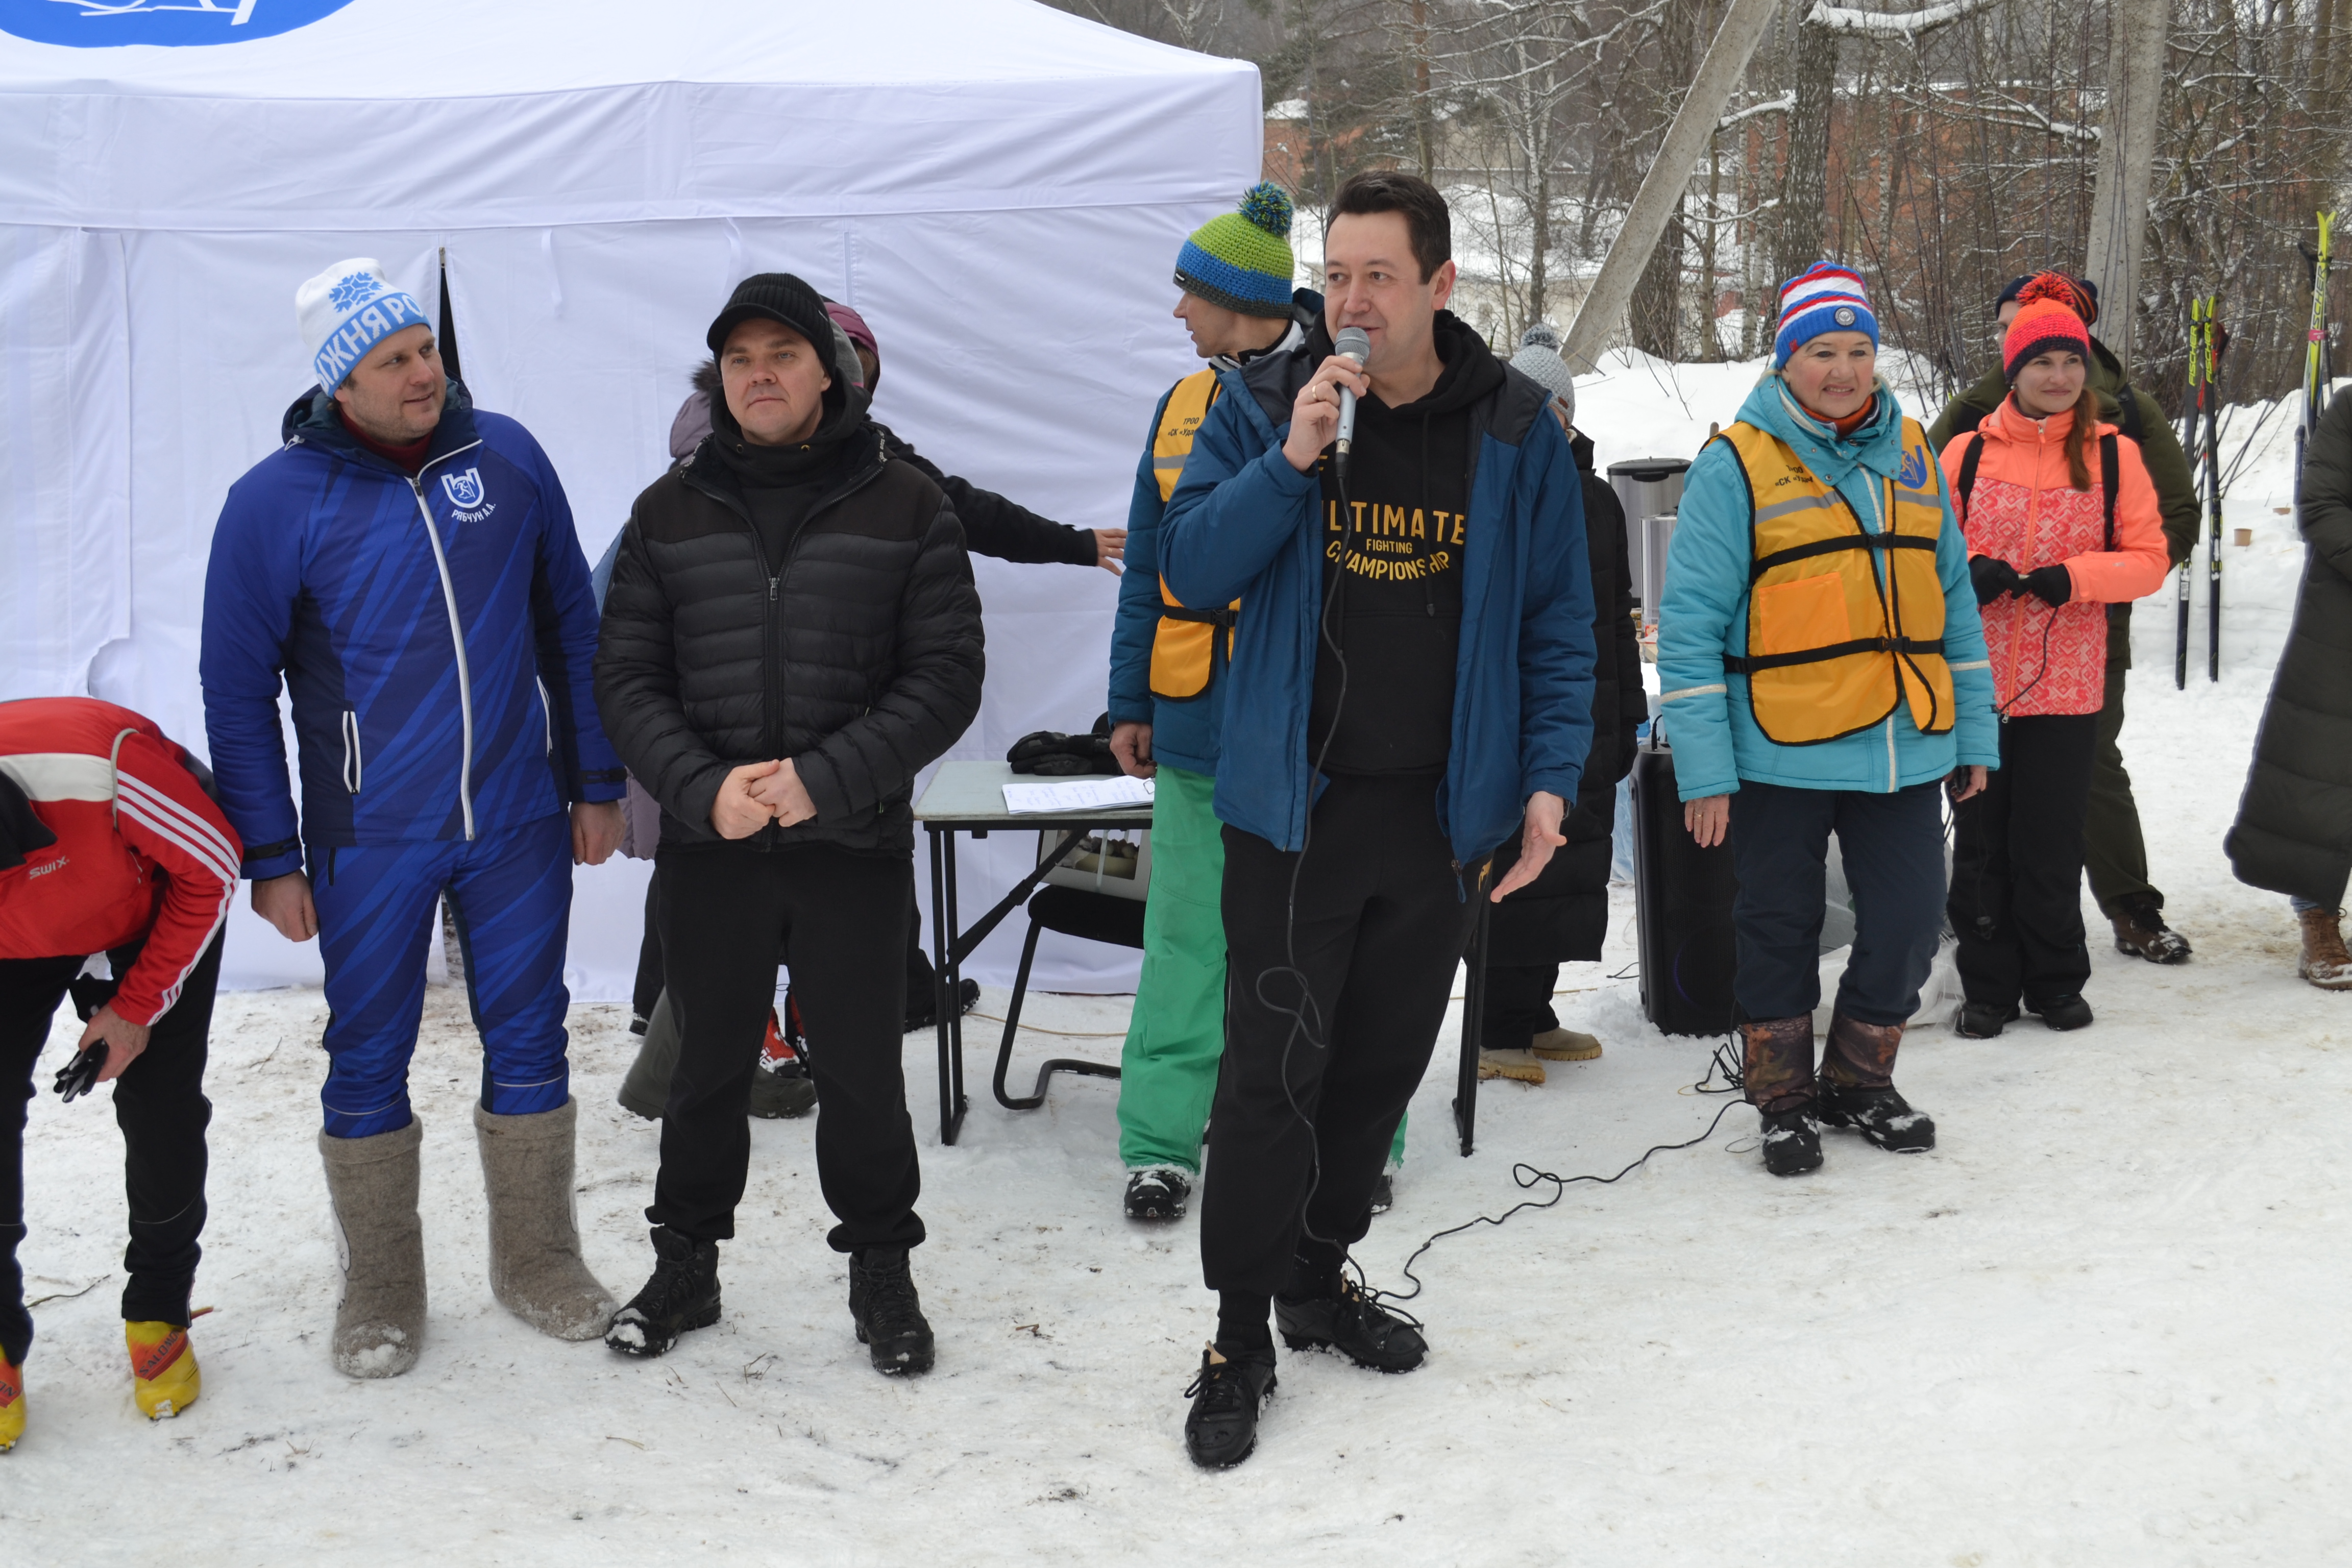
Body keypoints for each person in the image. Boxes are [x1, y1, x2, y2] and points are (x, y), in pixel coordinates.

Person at [1158, 172, 1596, 1468]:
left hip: (1436, 822)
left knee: (1373, 1077)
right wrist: (1294, 461)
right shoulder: (1257, 407)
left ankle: (1313, 1273)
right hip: (1294, 818)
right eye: (1336, 276)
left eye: (1378, 278)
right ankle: (1238, 1330)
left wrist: (1547, 779)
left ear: (1439, 287)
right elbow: (1187, 567)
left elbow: (1558, 628)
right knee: (1267, 1080)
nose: (1350, 302)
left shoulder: (1515, 430)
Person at [202, 258, 628, 1380]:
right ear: (344, 384)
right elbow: (235, 691)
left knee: (533, 1035)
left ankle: (538, 1260)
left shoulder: (510, 459)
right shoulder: (272, 505)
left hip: (520, 817)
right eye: (393, 361)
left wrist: (595, 782)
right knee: (368, 1053)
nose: (422, 373)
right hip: (366, 837)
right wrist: (270, 856)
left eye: (427, 350)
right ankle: (383, 1287)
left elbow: (571, 630)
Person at [593, 273, 984, 1373]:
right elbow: (624, 674)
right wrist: (697, 786)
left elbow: (947, 675)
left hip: (849, 846)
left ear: (829, 371)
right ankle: (685, 1268)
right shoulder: (669, 511)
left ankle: (881, 1272)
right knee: (705, 1067)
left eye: (781, 355)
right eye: (738, 359)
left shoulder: (906, 503)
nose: (759, 376)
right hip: (712, 849)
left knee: (861, 1072)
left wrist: (826, 776)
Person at [1658, 263, 2000, 1180]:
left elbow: (1953, 603)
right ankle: (1780, 1098)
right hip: (1777, 749)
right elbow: (1687, 625)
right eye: (1821, 352)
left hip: (1902, 743)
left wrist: (1975, 734)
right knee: (1777, 922)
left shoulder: (1916, 454)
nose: (1841, 370)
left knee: (1906, 916)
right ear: (1785, 361)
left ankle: (1857, 1079)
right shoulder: (1735, 463)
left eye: (1857, 351)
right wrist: (1703, 768)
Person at [1106, 182, 1349, 1223]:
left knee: (1327, 946)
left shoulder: (1345, 396)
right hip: (1196, 724)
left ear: (1234, 300)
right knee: (1188, 945)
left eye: (1188, 294)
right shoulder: (1180, 407)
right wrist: (1128, 700)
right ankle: (1161, 1144)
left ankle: (1351, 1138)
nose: (1177, 315)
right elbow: (1147, 567)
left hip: (1319, 731)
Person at [1928, 272, 2198, 966]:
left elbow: (2173, 517)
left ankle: (2129, 906)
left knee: (2088, 774)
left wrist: (2097, 581)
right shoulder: (1971, 417)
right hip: (1979, 644)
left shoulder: (2125, 416)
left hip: (2083, 636)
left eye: (2060, 344)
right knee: (1981, 787)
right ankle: (1981, 937)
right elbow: (1922, 518)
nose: (2050, 367)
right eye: (2013, 325)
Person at [0, 699, 242, 1450]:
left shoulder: (104, 776)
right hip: (21, 933)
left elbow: (213, 866)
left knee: (158, 1102)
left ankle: (158, 1311)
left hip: (154, 898)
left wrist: (135, 1008)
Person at [1475, 324, 1644, 1085]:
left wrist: (1630, 715)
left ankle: (1534, 1013)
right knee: (1522, 874)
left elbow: (1617, 617)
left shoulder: (1599, 499)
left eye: (1558, 409)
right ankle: (1495, 1026)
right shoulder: (1499, 490)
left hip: (1596, 715)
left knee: (1572, 878)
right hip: (1531, 719)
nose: (1548, 422)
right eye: (1532, 407)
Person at [2226, 386, 2352, 988]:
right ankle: (2318, 918)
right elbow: (2323, 505)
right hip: (2344, 624)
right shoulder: (2350, 409)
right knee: (2321, 775)